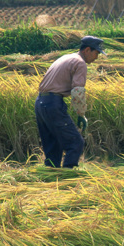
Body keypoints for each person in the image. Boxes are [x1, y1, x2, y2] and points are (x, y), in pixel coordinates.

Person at [34, 35, 104, 167]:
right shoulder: (80, 63)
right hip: (53, 104)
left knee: (53, 146)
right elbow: (77, 91)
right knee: (76, 142)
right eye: (96, 53)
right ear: (87, 50)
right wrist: (81, 114)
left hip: (41, 102)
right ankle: (68, 176)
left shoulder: (67, 57)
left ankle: (51, 178)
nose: (97, 57)